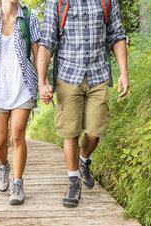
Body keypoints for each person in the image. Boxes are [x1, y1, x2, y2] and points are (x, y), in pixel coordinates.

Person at [37, 0, 129, 207]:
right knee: (70, 133)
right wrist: (42, 81)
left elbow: (117, 34)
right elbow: (47, 41)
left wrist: (124, 73)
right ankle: (73, 182)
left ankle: (84, 160)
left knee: (95, 131)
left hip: (98, 75)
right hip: (68, 75)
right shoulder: (57, 2)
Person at [0, 0, 41, 205]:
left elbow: (38, 54)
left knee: (17, 136)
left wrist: (43, 81)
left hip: (22, 86)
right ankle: (3, 166)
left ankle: (18, 183)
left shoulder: (30, 18)